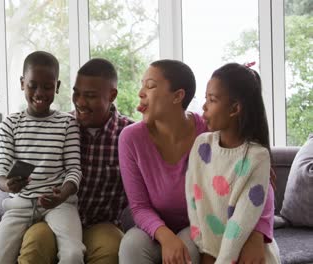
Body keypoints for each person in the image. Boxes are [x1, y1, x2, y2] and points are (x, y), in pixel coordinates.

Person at [118, 59, 275, 264]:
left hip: (200, 226)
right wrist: (166, 237)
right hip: (154, 228)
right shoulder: (130, 138)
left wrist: (257, 234)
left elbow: (261, 181)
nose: (140, 92)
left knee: (189, 250)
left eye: (150, 86)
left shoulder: (211, 129)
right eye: (142, 85)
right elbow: (139, 206)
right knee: (131, 246)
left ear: (178, 96)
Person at [18, 58, 134, 264]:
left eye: (89, 96)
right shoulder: (59, 127)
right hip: (52, 217)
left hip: (101, 223)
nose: (80, 101)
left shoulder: (128, 135)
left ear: (112, 95)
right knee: (34, 244)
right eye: (76, 93)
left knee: (111, 249)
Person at [0, 51, 85, 264]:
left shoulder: (67, 124)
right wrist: (7, 185)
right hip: (20, 204)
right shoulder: (11, 124)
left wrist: (62, 194)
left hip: (59, 204)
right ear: (22, 83)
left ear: (57, 87)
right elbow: (1, 168)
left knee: (73, 254)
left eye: (48, 87)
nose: (40, 93)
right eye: (33, 85)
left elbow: (74, 170)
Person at [185, 63, 281, 263]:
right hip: (210, 249)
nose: (204, 106)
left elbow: (243, 219)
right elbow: (194, 199)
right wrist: (205, 248)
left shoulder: (257, 157)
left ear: (235, 108)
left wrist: (222, 260)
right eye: (205, 99)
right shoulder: (202, 145)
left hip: (244, 250)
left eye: (212, 100)